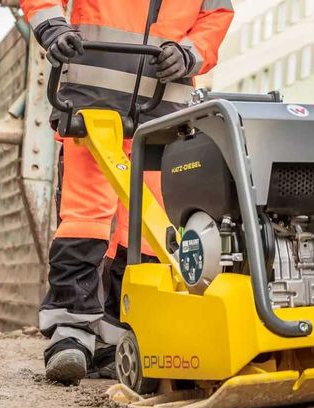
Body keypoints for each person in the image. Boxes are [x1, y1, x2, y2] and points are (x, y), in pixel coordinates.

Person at [19, 0, 233, 385]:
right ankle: (70, 335)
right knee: (86, 217)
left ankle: (123, 338)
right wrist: (52, 28)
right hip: (90, 108)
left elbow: (216, 16)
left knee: (150, 232)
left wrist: (189, 54)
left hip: (162, 116)